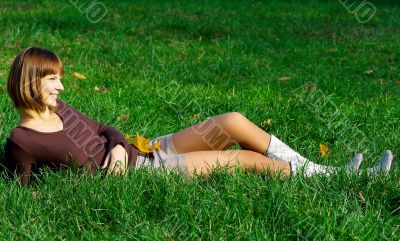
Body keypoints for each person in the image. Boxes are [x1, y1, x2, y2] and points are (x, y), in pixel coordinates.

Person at [3, 47, 394, 186]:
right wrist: (106, 175)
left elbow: (105, 129)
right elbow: (25, 193)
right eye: (54, 79)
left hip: (144, 149)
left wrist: (120, 148)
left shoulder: (59, 109)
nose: (62, 87)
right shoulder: (22, 142)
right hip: (144, 173)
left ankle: (318, 171)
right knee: (246, 161)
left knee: (233, 122)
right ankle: (339, 179)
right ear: (31, 80)